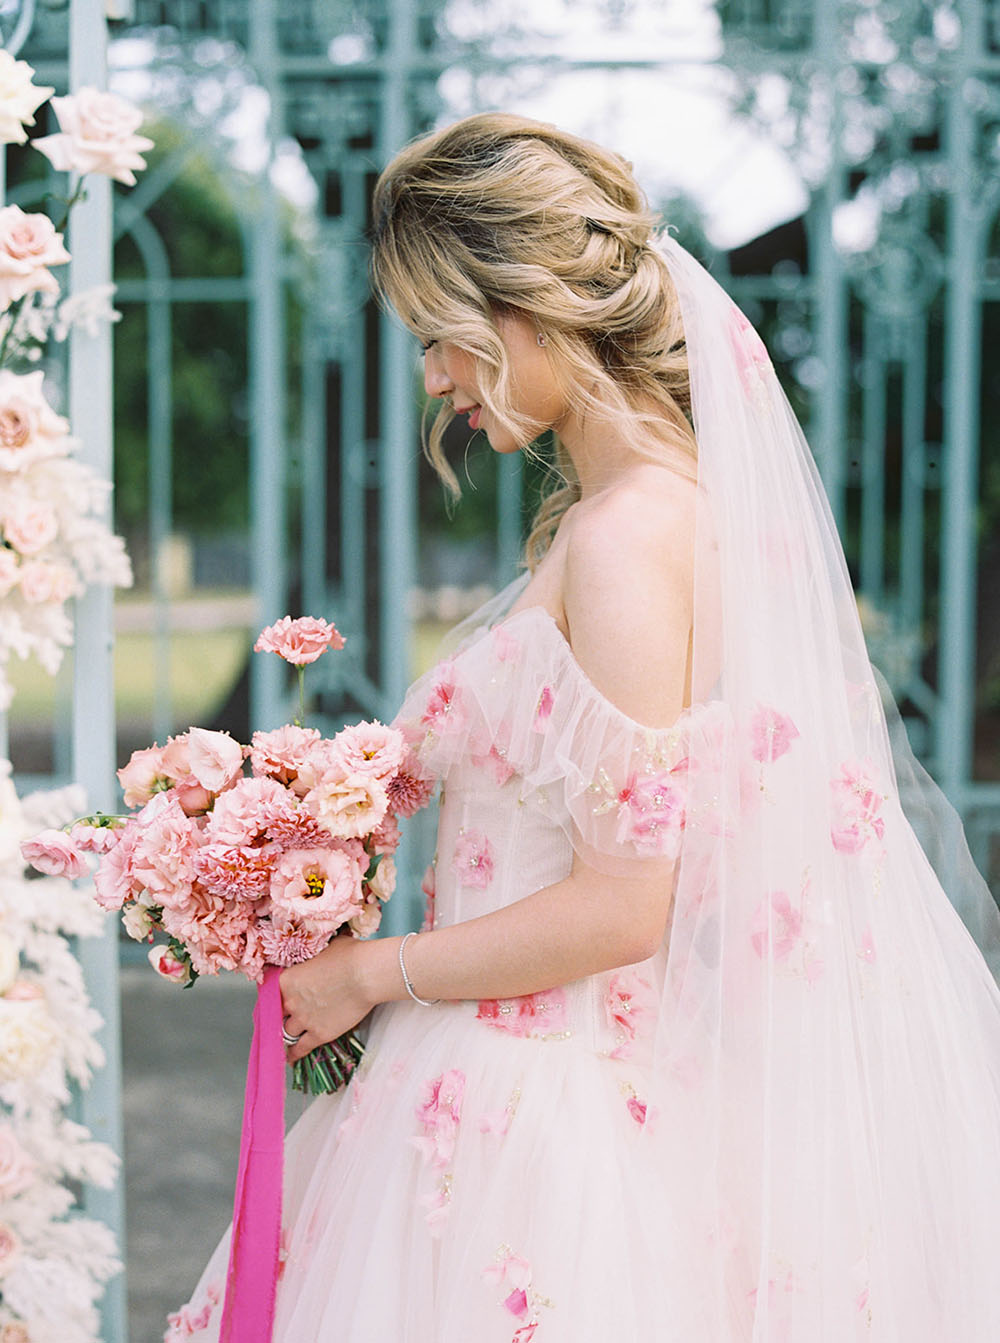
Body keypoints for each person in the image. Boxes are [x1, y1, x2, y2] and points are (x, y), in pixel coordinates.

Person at [170, 113, 1000, 1342]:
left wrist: (365, 970)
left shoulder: (622, 544)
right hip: (565, 1080)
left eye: (440, 340)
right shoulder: (654, 511)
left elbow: (625, 904)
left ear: (521, 306)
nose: (437, 383)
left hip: (534, 1112)